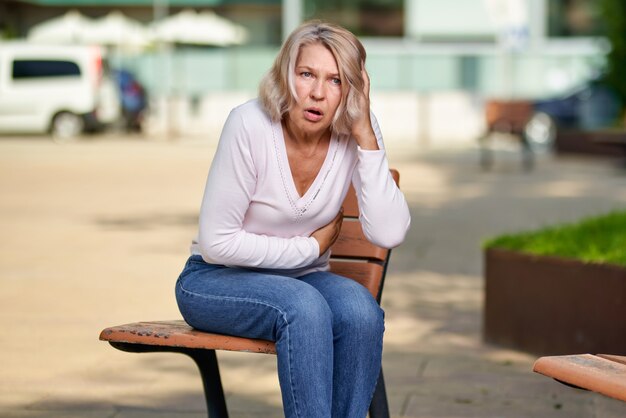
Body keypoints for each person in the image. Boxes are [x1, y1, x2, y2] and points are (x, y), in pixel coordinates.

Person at [175, 20, 410, 418]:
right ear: (286, 75)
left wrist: (367, 137)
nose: (318, 92)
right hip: (214, 280)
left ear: (352, 89)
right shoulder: (249, 124)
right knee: (304, 307)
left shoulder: (356, 133)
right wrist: (308, 248)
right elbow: (217, 244)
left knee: (360, 312)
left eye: (335, 80)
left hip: (303, 281)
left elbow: (389, 231)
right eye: (307, 74)